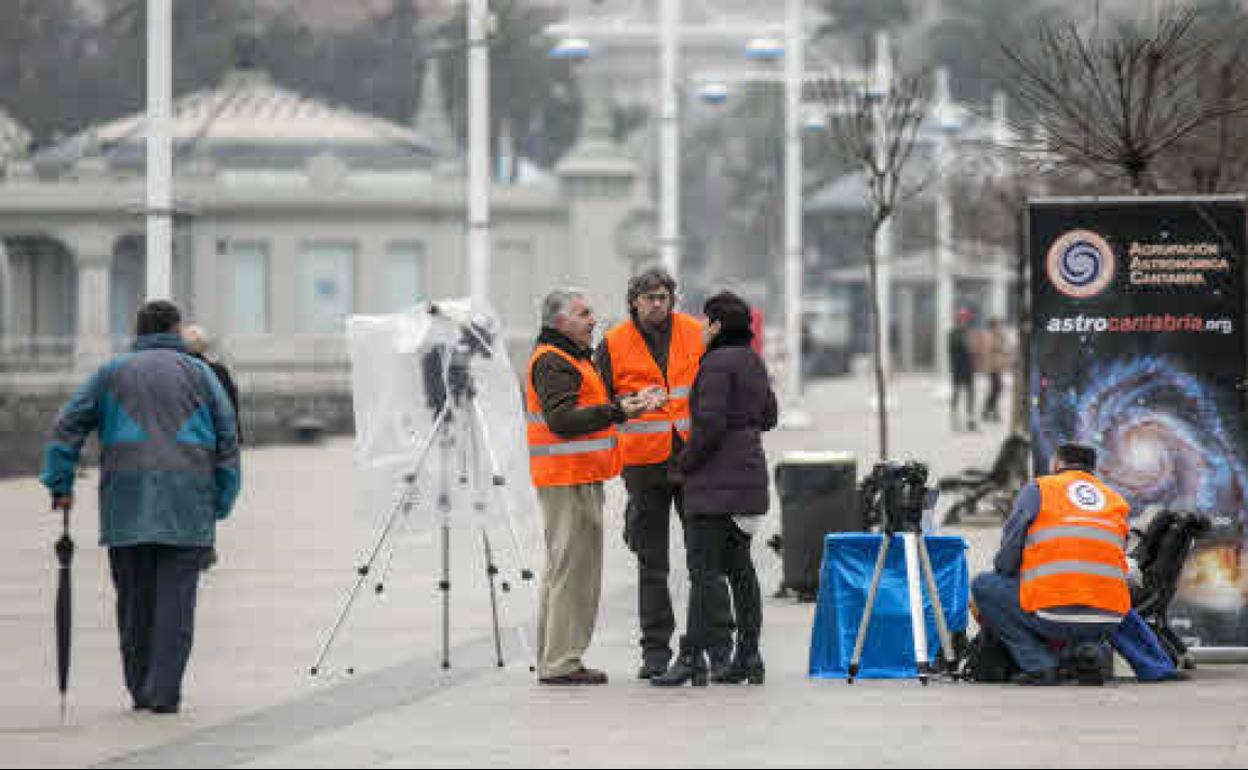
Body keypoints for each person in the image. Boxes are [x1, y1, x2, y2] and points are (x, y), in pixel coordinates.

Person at [40, 300, 240, 713]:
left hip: (125, 506)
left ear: (139, 329)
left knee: (133, 603)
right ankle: (164, 692)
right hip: (188, 504)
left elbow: (67, 425)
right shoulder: (201, 374)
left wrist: (60, 483)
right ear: (176, 327)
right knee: (176, 606)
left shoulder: (111, 373)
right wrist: (221, 501)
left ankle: (139, 688)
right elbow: (227, 438)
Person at [595, 268, 734, 680]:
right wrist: (630, 403)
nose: (658, 304)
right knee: (651, 562)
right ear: (633, 300)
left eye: (664, 297)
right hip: (644, 465)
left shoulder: (695, 332)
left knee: (704, 560)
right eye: (650, 297)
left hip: (693, 460)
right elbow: (602, 401)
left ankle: (716, 646)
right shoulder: (614, 343)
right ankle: (655, 651)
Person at [652, 291, 778, 687]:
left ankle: (690, 658)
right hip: (749, 480)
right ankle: (749, 655)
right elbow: (769, 416)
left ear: (718, 326)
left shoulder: (716, 365)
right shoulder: (752, 362)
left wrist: (682, 464)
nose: (702, 330)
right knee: (740, 570)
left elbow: (709, 426)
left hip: (715, 486)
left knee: (704, 572)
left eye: (706, 323)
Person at [526, 288, 648, 685]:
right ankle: (561, 661)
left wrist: (622, 405)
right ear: (560, 322)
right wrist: (616, 411)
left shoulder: (571, 358)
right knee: (572, 571)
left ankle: (554, 657)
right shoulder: (554, 362)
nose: (593, 319)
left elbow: (579, 410)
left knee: (564, 570)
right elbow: (563, 420)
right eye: (584, 313)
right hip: (567, 477)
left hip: (575, 475)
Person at [971, 442, 1130, 685]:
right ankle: (1089, 654)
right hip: (1109, 618)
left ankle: (1040, 665)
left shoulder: (1040, 489)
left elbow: (1007, 558)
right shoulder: (1115, 499)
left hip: (1052, 613)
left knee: (984, 586)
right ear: (1093, 469)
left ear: (1057, 463)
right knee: (1080, 606)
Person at [182, 324, 242, 572]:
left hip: (186, 443)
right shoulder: (218, 372)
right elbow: (230, 409)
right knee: (206, 496)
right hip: (213, 445)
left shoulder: (180, 373)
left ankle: (190, 544)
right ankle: (205, 546)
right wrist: (234, 441)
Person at [948, 307, 977, 432]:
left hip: (968, 368)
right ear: (958, 319)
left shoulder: (969, 332)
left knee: (970, 394)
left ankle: (970, 419)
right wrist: (968, 344)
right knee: (957, 393)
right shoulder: (953, 333)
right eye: (962, 319)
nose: (965, 321)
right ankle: (954, 418)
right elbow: (957, 347)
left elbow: (972, 350)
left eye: (966, 319)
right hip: (958, 368)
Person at [980, 317, 1010, 424]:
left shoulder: (999, 335)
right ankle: (989, 411)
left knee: (997, 389)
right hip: (992, 367)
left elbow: (1005, 348)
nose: (1000, 327)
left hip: (998, 367)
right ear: (993, 326)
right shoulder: (989, 336)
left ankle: (990, 410)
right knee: (996, 389)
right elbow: (991, 349)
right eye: (998, 325)